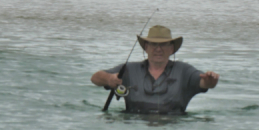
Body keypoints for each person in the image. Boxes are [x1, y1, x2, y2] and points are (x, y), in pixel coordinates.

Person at [90, 25, 219, 114]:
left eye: (163, 44)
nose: (158, 49)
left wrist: (210, 80)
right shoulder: (129, 69)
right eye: (153, 44)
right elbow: (95, 77)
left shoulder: (184, 71)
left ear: (172, 48)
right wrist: (109, 79)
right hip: (134, 124)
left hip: (174, 124)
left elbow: (204, 83)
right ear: (145, 47)